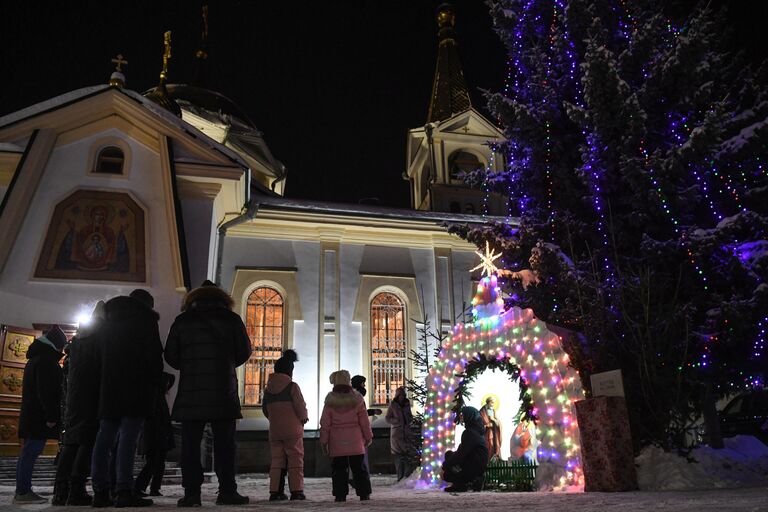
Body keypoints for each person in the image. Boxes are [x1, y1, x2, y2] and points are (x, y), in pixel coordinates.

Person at [165, 280, 252, 507]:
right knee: (225, 445)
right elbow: (244, 352)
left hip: (191, 393)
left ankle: (192, 493)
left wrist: (191, 364)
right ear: (222, 299)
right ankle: (227, 491)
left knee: (191, 446)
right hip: (223, 391)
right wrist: (226, 363)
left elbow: (171, 357)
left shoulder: (182, 321)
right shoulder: (231, 320)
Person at [91, 289, 163, 508]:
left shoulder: (107, 321)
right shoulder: (146, 320)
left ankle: (100, 491)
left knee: (104, 438)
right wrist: (157, 382)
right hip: (136, 387)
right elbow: (153, 354)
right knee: (129, 439)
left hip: (109, 388)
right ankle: (123, 489)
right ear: (147, 305)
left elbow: (96, 356)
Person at [52, 302, 105, 506]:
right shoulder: (99, 340)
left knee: (71, 443)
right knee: (86, 442)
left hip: (74, 398)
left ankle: (60, 491)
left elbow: (67, 372)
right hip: (91, 396)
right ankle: (76, 489)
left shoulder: (76, 343)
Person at [14, 325, 67, 505]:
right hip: (38, 416)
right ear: (55, 345)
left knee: (28, 451)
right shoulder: (46, 361)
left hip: (32, 414)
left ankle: (22, 489)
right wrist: (51, 416)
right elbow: (47, 392)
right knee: (31, 451)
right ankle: (23, 491)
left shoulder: (36, 359)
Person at [262, 349, 308, 501]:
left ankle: (275, 492)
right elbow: (300, 406)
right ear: (290, 371)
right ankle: (296, 491)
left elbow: (265, 410)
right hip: (292, 430)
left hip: (275, 431)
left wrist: (274, 419)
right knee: (295, 460)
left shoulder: (268, 389)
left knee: (277, 461)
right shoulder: (292, 387)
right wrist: (303, 418)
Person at [320, 370, 373, 502]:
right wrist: (368, 436)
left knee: (338, 469)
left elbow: (325, 424)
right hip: (355, 440)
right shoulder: (357, 398)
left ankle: (340, 494)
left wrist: (323, 441)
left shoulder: (330, 401)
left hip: (337, 441)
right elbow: (364, 421)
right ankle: (364, 493)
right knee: (359, 468)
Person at [134, 372, 176, 497]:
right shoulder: (154, 397)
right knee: (153, 463)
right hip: (155, 435)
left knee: (158, 463)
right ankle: (139, 486)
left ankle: (153, 488)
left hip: (160, 434)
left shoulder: (159, 397)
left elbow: (172, 378)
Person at [441, 406, 489, 493]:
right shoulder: (477, 431)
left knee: (447, 473)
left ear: (469, 416)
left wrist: (446, 465)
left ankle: (462, 484)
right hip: (478, 465)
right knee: (449, 455)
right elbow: (463, 450)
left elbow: (461, 454)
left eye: (463, 415)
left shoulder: (469, 432)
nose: (461, 417)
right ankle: (468, 481)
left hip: (474, 466)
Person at [385, 386, 413, 481]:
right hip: (397, 434)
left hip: (406, 432)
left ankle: (406, 477)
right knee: (398, 456)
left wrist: (409, 419)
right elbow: (387, 418)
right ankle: (400, 477)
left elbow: (409, 415)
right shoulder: (393, 404)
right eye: (400, 395)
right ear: (397, 396)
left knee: (406, 455)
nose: (401, 397)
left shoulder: (406, 403)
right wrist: (397, 421)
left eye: (403, 395)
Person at [479, 397, 502, 462]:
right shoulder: (482, 411)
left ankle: (494, 460)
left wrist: (494, 421)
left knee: (494, 445)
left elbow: (497, 421)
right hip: (486, 432)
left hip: (494, 432)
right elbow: (480, 422)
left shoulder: (493, 410)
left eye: (493, 403)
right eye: (491, 402)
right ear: (488, 402)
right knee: (489, 445)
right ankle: (487, 460)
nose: (492, 404)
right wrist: (487, 424)